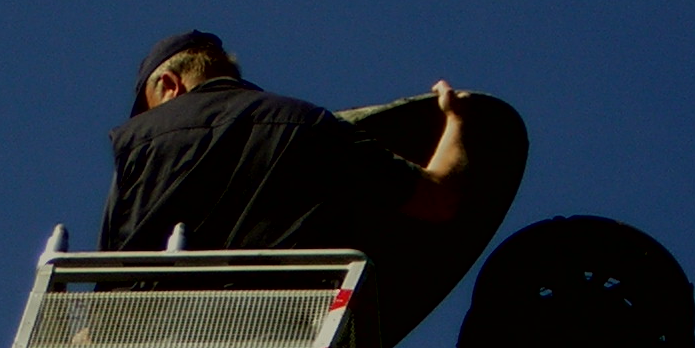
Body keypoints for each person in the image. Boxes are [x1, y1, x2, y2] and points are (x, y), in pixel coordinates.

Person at [99, 30, 472, 255]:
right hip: (278, 340)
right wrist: (455, 120)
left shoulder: (137, 140)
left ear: (169, 85)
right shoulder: (309, 123)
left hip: (153, 342)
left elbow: (114, 269)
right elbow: (438, 198)